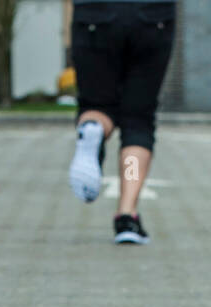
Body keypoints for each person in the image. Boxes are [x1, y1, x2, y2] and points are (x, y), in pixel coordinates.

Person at [66, 1, 176, 245]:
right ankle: (127, 216)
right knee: (138, 120)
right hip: (152, 17)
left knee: (96, 105)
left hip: (95, 15)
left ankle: (93, 128)